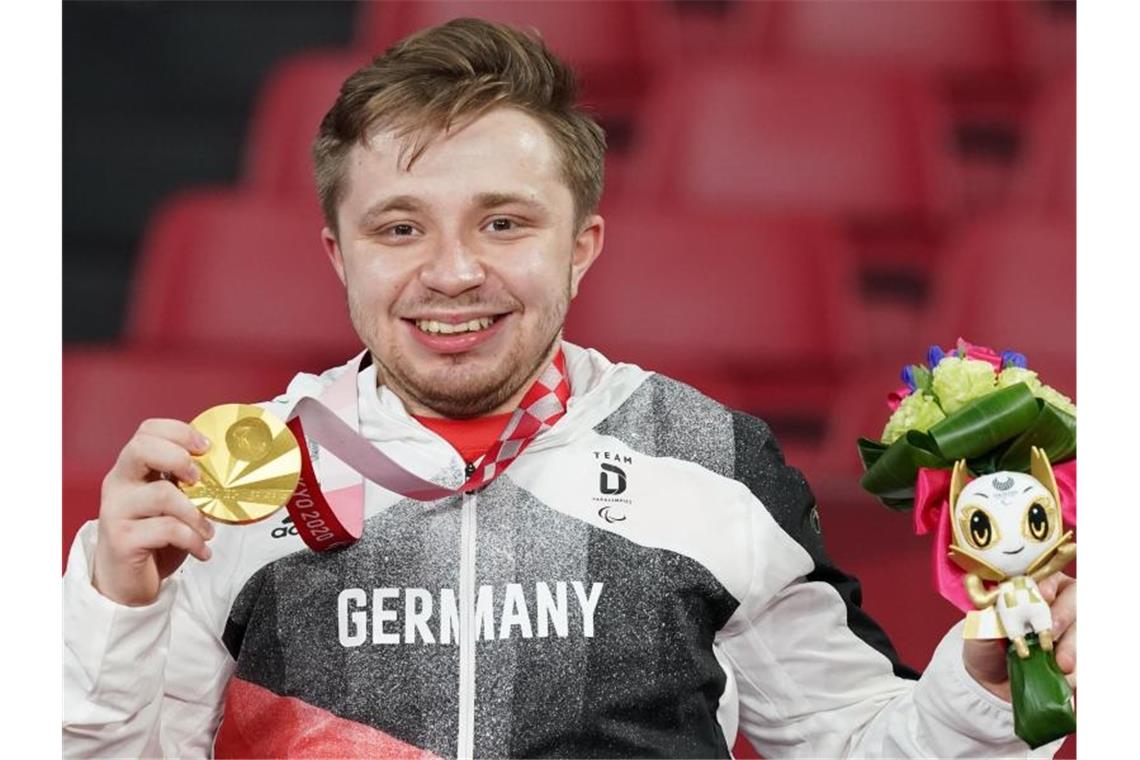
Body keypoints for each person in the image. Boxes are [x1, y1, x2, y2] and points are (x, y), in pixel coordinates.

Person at [63, 18, 1076, 759]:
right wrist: (111, 601)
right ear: (338, 253)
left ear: (581, 246)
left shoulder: (712, 460)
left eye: (504, 223)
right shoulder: (233, 481)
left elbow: (855, 744)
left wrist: (975, 695)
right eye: (399, 227)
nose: (453, 271)